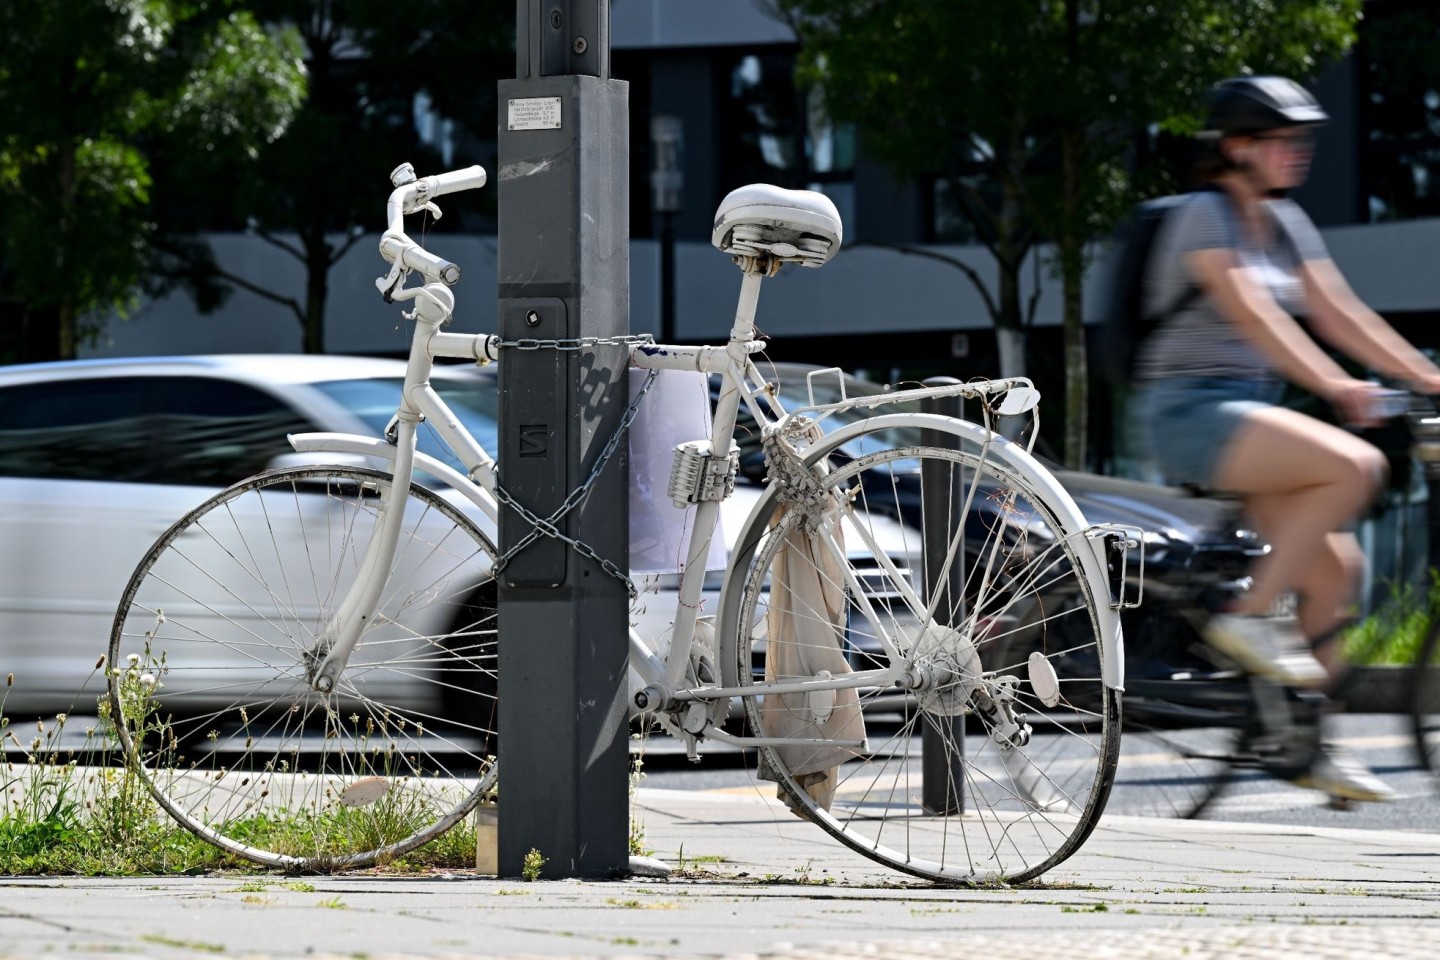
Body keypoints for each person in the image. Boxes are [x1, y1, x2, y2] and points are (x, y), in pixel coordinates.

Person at [1128, 75, 1440, 803]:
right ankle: (1246, 619)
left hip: (1249, 418)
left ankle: (1306, 740)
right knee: (1354, 466)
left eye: (1301, 138)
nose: (1297, 150)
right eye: (1280, 139)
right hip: (1187, 413)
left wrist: (1426, 377)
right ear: (1237, 148)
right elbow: (1259, 317)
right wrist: (1338, 387)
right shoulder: (1207, 216)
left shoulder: (1284, 223)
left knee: (1339, 571)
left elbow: (1341, 312)